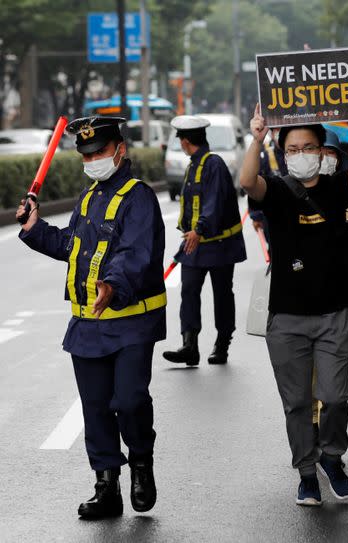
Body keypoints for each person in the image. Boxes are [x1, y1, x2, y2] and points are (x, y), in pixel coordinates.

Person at [17, 116, 164, 518]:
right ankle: (107, 486)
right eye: (87, 155)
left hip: (132, 321)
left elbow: (135, 252)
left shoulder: (140, 198)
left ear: (120, 149)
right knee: (96, 408)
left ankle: (140, 464)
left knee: (131, 400)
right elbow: (73, 245)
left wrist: (112, 284)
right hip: (87, 325)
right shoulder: (87, 198)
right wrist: (35, 228)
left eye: (100, 152)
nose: (93, 160)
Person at [240, 94, 348, 507]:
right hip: (286, 320)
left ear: (322, 151)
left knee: (336, 396)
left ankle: (332, 458)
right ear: (283, 155)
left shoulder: (338, 186)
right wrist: (256, 139)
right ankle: (306, 473)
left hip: (334, 314)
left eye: (308, 148)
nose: (301, 155)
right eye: (292, 150)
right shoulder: (278, 191)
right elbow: (248, 182)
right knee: (296, 402)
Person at [162, 116, 247, 367]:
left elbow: (214, 202)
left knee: (222, 294)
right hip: (194, 244)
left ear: (185, 141)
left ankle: (222, 344)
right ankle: (190, 345)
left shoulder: (215, 165)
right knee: (188, 290)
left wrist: (199, 229)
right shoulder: (194, 165)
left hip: (219, 244)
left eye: (180, 138)